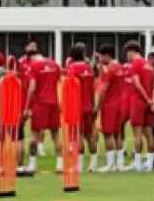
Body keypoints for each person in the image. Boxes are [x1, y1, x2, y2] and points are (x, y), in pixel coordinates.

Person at [23, 46, 61, 175]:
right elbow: (58, 83)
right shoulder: (55, 65)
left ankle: (32, 165)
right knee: (56, 135)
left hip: (40, 104)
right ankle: (60, 165)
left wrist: (27, 107)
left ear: (31, 58)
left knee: (34, 135)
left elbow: (32, 87)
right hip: (54, 103)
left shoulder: (35, 66)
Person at [123, 41, 154, 172]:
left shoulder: (135, 64)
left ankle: (137, 163)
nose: (127, 57)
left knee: (137, 134)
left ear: (131, 51)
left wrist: (146, 99)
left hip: (138, 102)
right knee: (149, 134)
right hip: (148, 103)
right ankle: (149, 163)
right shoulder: (149, 65)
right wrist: (152, 101)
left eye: (127, 53)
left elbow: (137, 84)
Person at [93, 45, 127, 172]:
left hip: (109, 105)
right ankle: (120, 164)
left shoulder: (110, 70)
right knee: (118, 134)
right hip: (120, 104)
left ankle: (110, 164)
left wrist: (97, 107)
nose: (99, 59)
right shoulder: (120, 67)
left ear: (106, 55)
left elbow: (103, 90)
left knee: (108, 134)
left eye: (100, 56)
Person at [66, 43, 98, 172]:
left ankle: (79, 165)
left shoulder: (72, 67)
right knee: (89, 135)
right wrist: (93, 104)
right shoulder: (88, 68)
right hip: (88, 105)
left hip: (76, 106)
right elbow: (92, 88)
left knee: (77, 134)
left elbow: (69, 87)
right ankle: (93, 163)